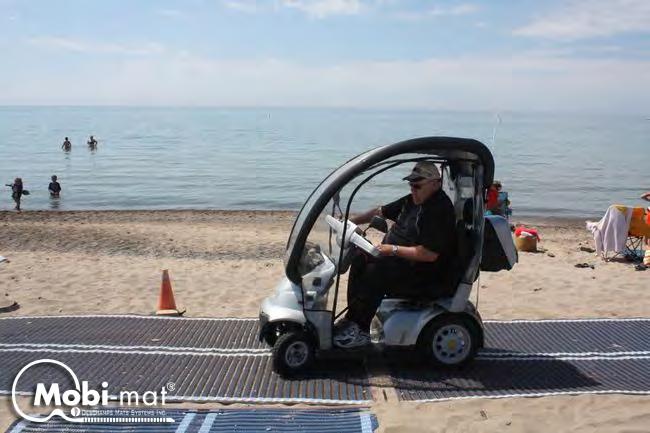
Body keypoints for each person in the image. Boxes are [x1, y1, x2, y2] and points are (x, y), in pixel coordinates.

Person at [333, 161, 458, 348]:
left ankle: (361, 328)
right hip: (398, 262)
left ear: (435, 183)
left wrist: (391, 249)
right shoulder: (412, 200)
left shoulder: (439, 210)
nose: (413, 190)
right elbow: (380, 211)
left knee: (376, 270)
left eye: (417, 186)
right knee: (359, 259)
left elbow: (429, 254)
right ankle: (354, 319)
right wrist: (351, 222)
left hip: (422, 274)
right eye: (411, 185)